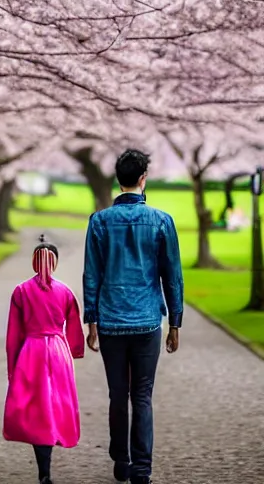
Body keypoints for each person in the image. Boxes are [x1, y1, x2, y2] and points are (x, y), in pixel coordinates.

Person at [83, 149, 184, 484]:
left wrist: (91, 320)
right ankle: (142, 469)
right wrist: (176, 322)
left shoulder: (98, 221)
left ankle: (121, 461)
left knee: (117, 394)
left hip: (111, 321)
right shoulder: (162, 221)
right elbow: (172, 276)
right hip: (147, 321)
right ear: (144, 178)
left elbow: (91, 275)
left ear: (118, 178)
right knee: (142, 395)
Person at [3, 234, 84, 484]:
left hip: (31, 351)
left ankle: (44, 469)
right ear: (55, 263)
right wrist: (76, 350)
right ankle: (52, 442)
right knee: (55, 403)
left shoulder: (21, 291)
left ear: (34, 263)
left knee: (36, 407)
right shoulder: (66, 292)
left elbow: (13, 334)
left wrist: (12, 365)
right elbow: (74, 327)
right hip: (58, 351)